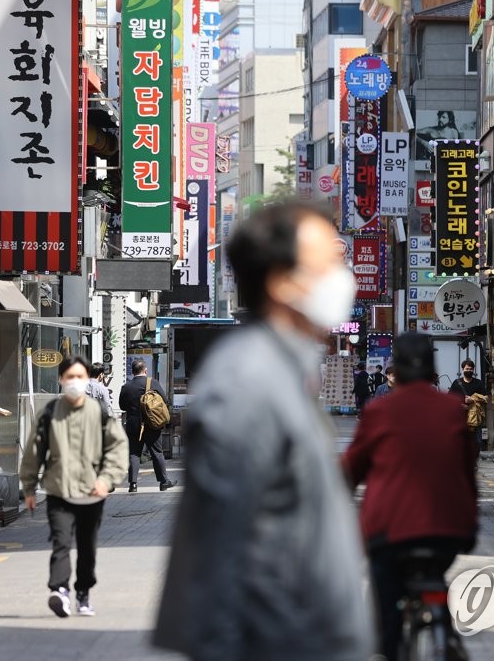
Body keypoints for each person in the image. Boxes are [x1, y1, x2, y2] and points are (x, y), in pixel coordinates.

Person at [154, 199, 373, 661]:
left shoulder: (282, 371)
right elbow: (222, 552)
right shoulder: (247, 384)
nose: (344, 275)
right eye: (328, 263)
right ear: (281, 283)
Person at [342, 333, 478, 661]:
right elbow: (467, 469)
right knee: (434, 573)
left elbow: (349, 471)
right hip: (448, 531)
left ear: (396, 371)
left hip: (389, 533)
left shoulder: (381, 411)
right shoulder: (452, 409)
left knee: (386, 614)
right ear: (432, 371)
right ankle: (446, 632)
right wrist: (469, 525)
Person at [20, 356, 128, 618]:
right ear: (61, 380)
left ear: (87, 379)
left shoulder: (99, 413)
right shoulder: (50, 414)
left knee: (87, 547)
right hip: (59, 491)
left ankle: (83, 592)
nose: (75, 382)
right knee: (61, 541)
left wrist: (106, 479)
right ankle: (60, 591)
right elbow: (34, 451)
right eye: (70, 377)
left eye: (80, 377)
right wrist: (29, 487)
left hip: (93, 493)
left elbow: (118, 447)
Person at [118, 361, 176, 493]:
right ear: (145, 370)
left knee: (134, 453)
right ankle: (163, 482)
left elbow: (122, 406)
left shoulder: (126, 386)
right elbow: (164, 401)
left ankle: (133, 485)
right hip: (151, 424)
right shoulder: (152, 383)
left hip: (133, 424)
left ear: (132, 372)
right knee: (156, 452)